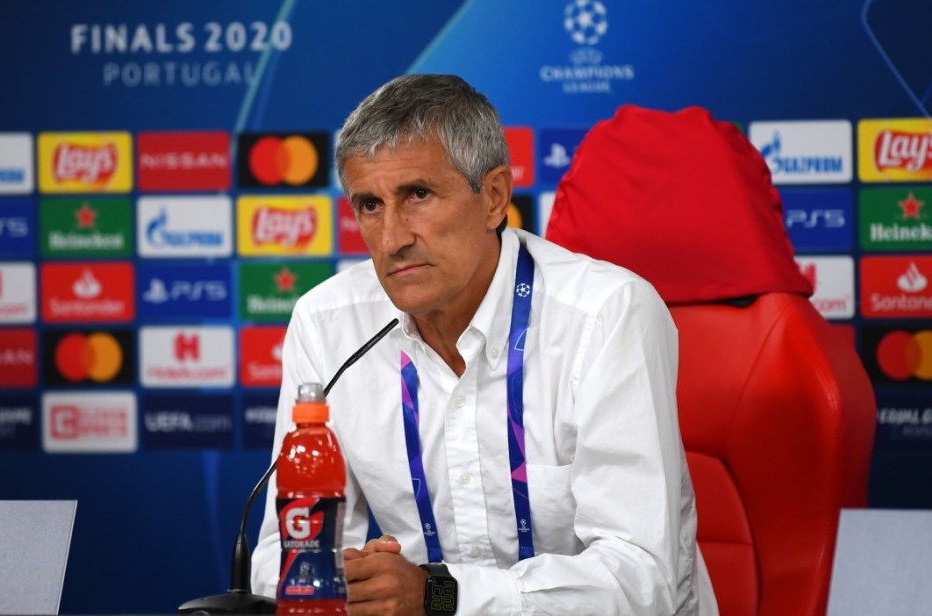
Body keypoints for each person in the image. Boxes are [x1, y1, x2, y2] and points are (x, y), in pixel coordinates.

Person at [251, 74, 718, 615]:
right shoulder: (327, 325)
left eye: (418, 195)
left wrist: (438, 597)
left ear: (493, 197)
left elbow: (643, 580)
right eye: (370, 205)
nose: (391, 238)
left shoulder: (605, 314)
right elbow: (280, 556)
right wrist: (346, 580)